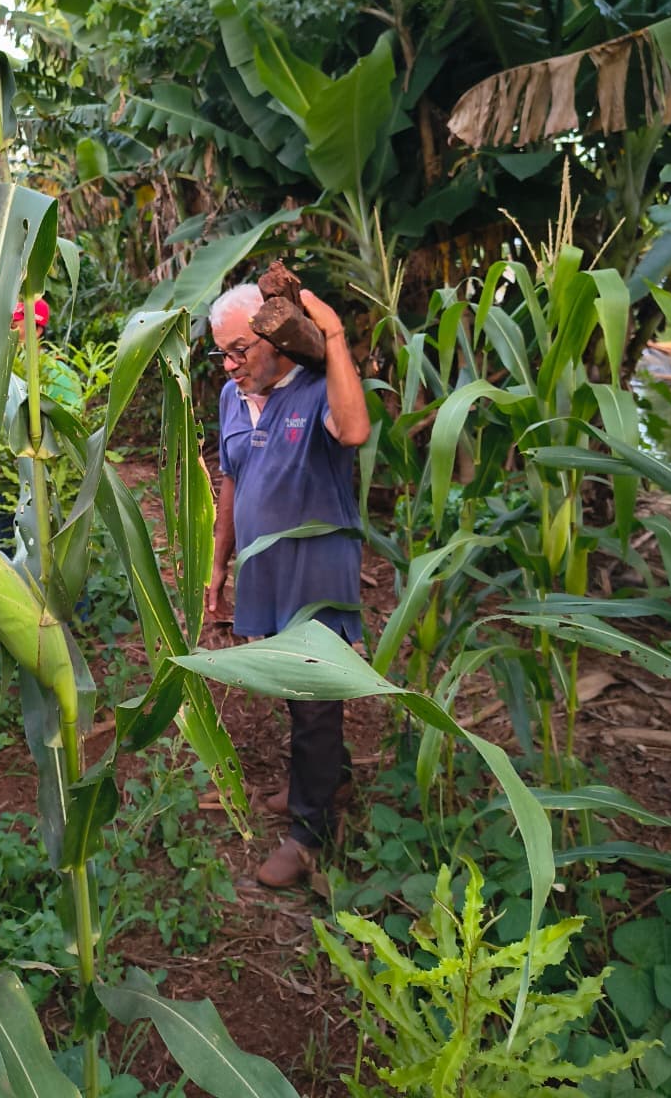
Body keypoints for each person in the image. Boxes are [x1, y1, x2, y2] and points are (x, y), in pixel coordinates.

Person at [207, 282, 371, 888]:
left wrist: (332, 338)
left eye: (240, 350)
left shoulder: (314, 388)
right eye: (221, 353)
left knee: (314, 698)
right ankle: (330, 778)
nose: (230, 365)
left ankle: (309, 832)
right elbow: (231, 482)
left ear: (277, 338)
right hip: (265, 569)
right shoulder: (233, 395)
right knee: (296, 689)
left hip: (316, 570)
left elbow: (353, 431)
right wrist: (219, 566)